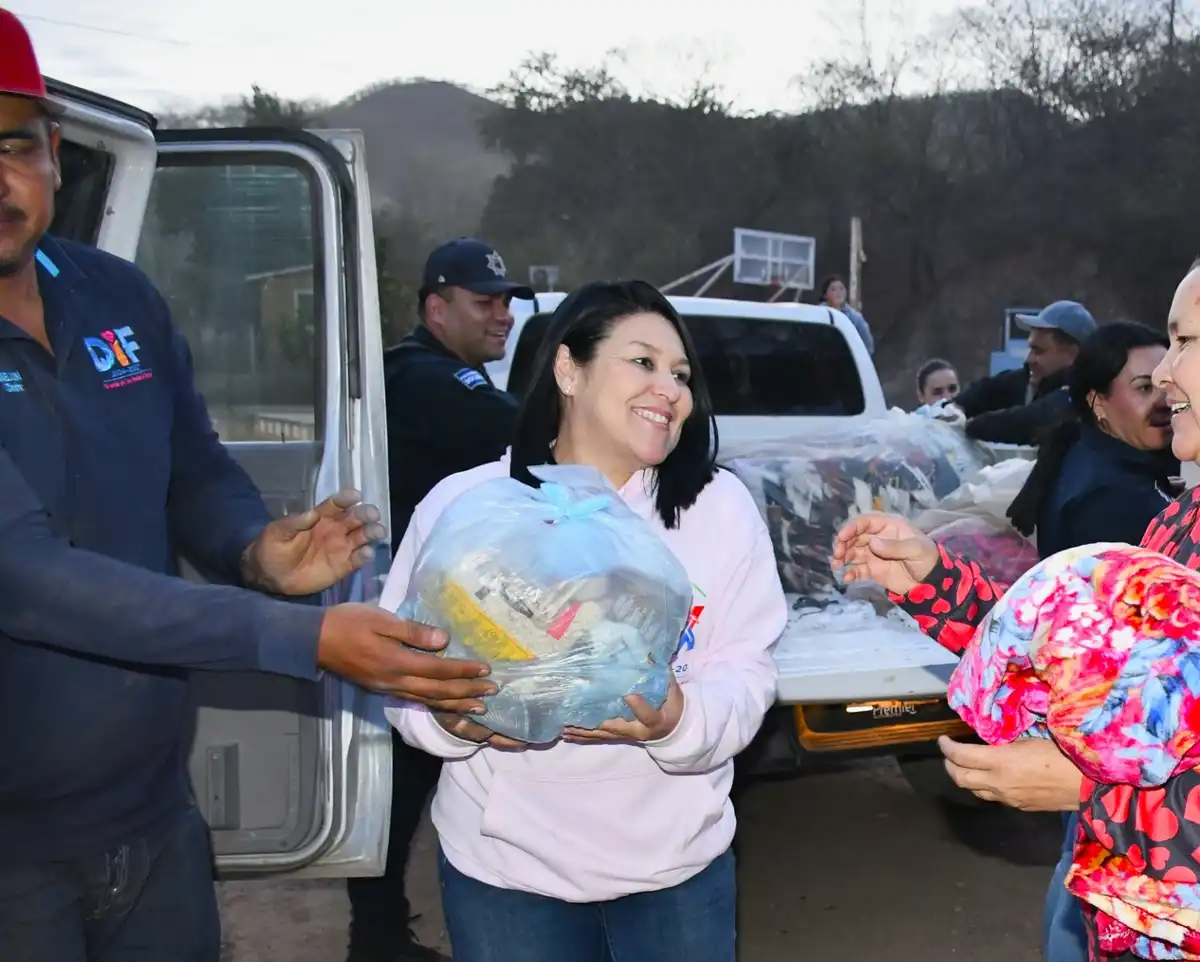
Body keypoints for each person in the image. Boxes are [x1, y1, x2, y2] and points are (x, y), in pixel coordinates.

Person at [0, 15, 495, 962]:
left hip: (150, 817)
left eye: (13, 144)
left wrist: (255, 551)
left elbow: (193, 469)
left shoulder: (117, 297)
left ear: (55, 155)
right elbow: (27, 575)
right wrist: (304, 636)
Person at [383, 280, 788, 962]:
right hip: (506, 874)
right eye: (644, 362)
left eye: (682, 374)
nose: (672, 390)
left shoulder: (717, 509)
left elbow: (748, 670)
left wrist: (680, 722)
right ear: (568, 369)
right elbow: (400, 670)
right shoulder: (469, 507)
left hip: (674, 870)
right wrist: (446, 720)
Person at [832, 262, 1200, 962]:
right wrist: (932, 580)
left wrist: (1092, 796)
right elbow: (1081, 664)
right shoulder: (1182, 522)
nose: (1168, 377)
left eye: (1184, 343)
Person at [348, 238, 534, 962]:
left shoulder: (438, 373)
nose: (503, 316)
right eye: (485, 303)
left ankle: (381, 933)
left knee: (411, 776)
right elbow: (526, 436)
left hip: (433, 601)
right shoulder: (424, 374)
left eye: (508, 302)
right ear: (436, 307)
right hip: (411, 608)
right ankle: (378, 940)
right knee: (403, 779)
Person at [952, 300, 1096, 445]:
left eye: (1038, 351)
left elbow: (1031, 420)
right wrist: (953, 409)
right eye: (1030, 349)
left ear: (1072, 354)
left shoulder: (1087, 396)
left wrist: (968, 426)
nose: (1029, 359)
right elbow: (990, 390)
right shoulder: (1037, 381)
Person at [819, 274, 874, 354]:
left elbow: (868, 346)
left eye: (841, 288)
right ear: (825, 295)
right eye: (833, 289)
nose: (838, 292)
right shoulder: (818, 314)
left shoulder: (855, 319)